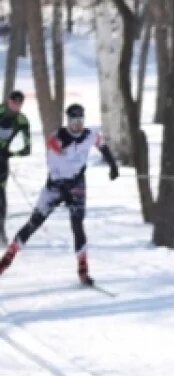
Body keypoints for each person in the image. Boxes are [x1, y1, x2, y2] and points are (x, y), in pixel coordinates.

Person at [0, 103, 119, 286]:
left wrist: (113, 165)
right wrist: (63, 190)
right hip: (55, 186)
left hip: (76, 184)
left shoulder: (89, 135)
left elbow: (102, 145)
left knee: (77, 224)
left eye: (80, 121)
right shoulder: (57, 139)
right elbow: (54, 168)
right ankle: (7, 259)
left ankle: (83, 268)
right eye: (74, 121)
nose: (77, 125)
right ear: (68, 121)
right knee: (34, 223)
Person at [0, 90, 32, 244]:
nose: (16, 105)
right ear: (8, 101)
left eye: (20, 103)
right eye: (14, 102)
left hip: (2, 161)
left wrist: (11, 153)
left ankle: (1, 232)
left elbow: (27, 149)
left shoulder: (22, 120)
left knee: (0, 197)